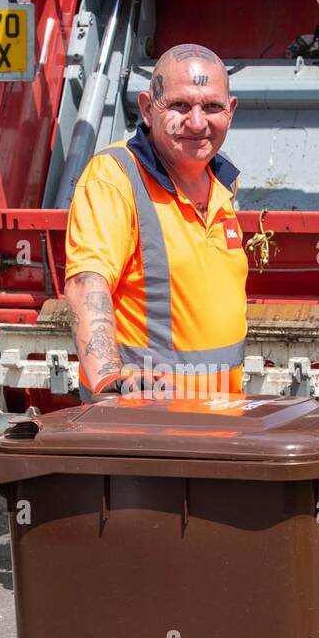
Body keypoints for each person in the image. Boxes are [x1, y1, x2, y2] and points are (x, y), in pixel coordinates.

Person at [63, 42, 247, 399]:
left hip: (220, 422)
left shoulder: (224, 182)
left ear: (231, 110)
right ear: (147, 109)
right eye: (179, 105)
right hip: (145, 426)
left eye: (211, 107)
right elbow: (87, 282)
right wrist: (109, 381)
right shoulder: (114, 176)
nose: (196, 122)